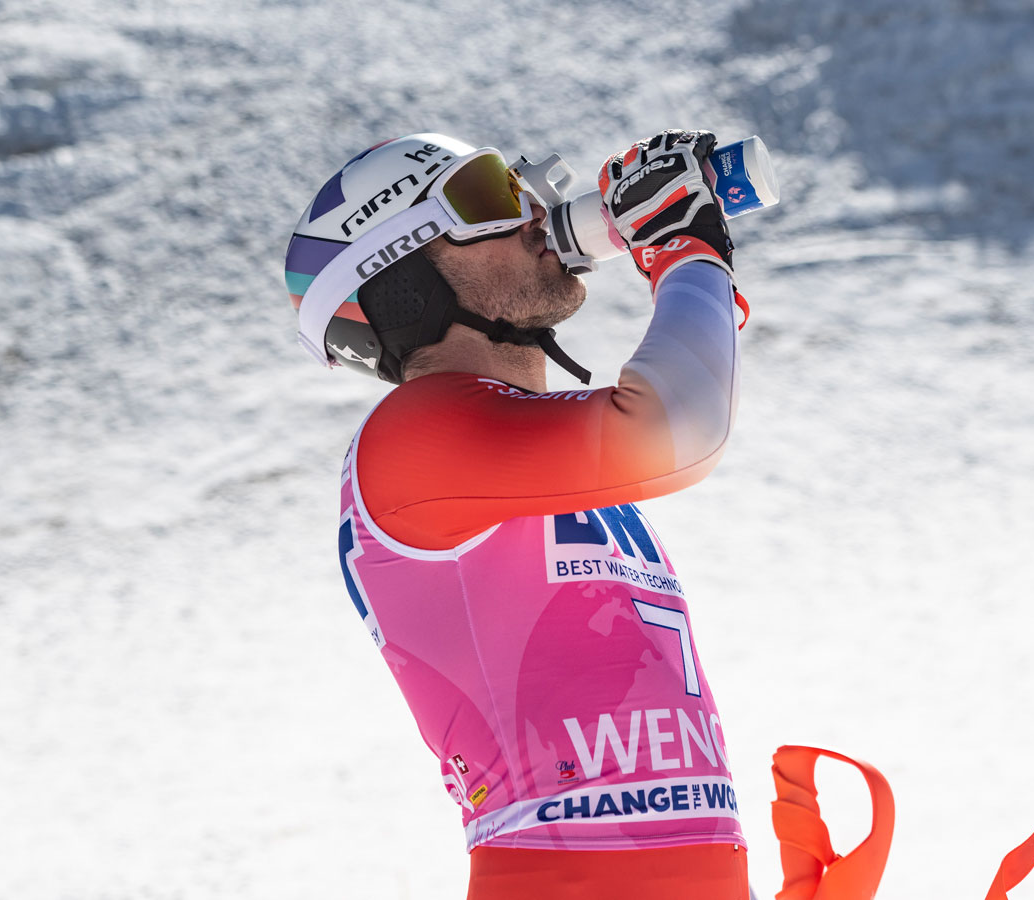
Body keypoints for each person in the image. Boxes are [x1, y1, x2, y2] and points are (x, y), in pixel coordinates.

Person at [284, 130, 751, 900]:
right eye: (486, 200)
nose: (533, 212)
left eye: (519, 188)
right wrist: (686, 253)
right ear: (401, 285)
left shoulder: (524, 461)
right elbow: (682, 423)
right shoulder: (413, 438)